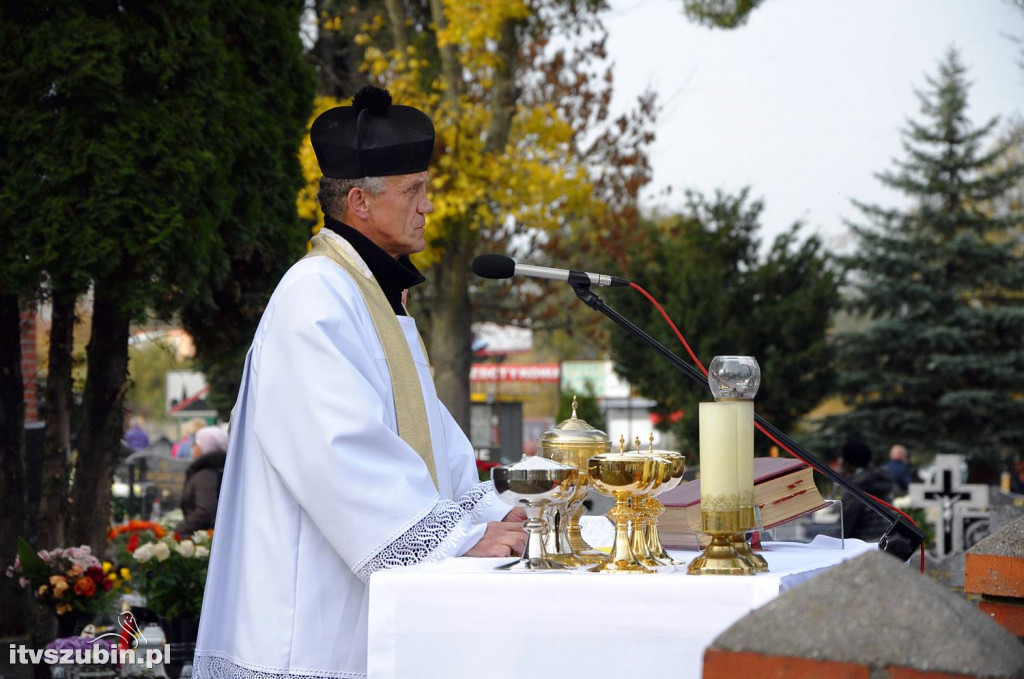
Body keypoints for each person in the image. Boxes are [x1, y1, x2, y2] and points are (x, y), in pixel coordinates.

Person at [192, 86, 527, 679]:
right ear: (359, 202)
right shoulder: (313, 294)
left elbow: (428, 437)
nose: (428, 207)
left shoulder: (377, 300)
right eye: (414, 191)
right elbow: (338, 450)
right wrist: (451, 542)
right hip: (307, 627)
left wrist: (486, 513)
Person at [176, 426, 229, 536]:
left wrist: (180, 529)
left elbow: (205, 512)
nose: (192, 446)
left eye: (196, 443)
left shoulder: (205, 474)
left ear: (205, 447)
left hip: (201, 539)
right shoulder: (212, 469)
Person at [838, 441, 895, 542]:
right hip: (886, 545)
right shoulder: (879, 481)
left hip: (862, 547)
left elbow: (843, 529)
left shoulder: (855, 488)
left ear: (846, 462)